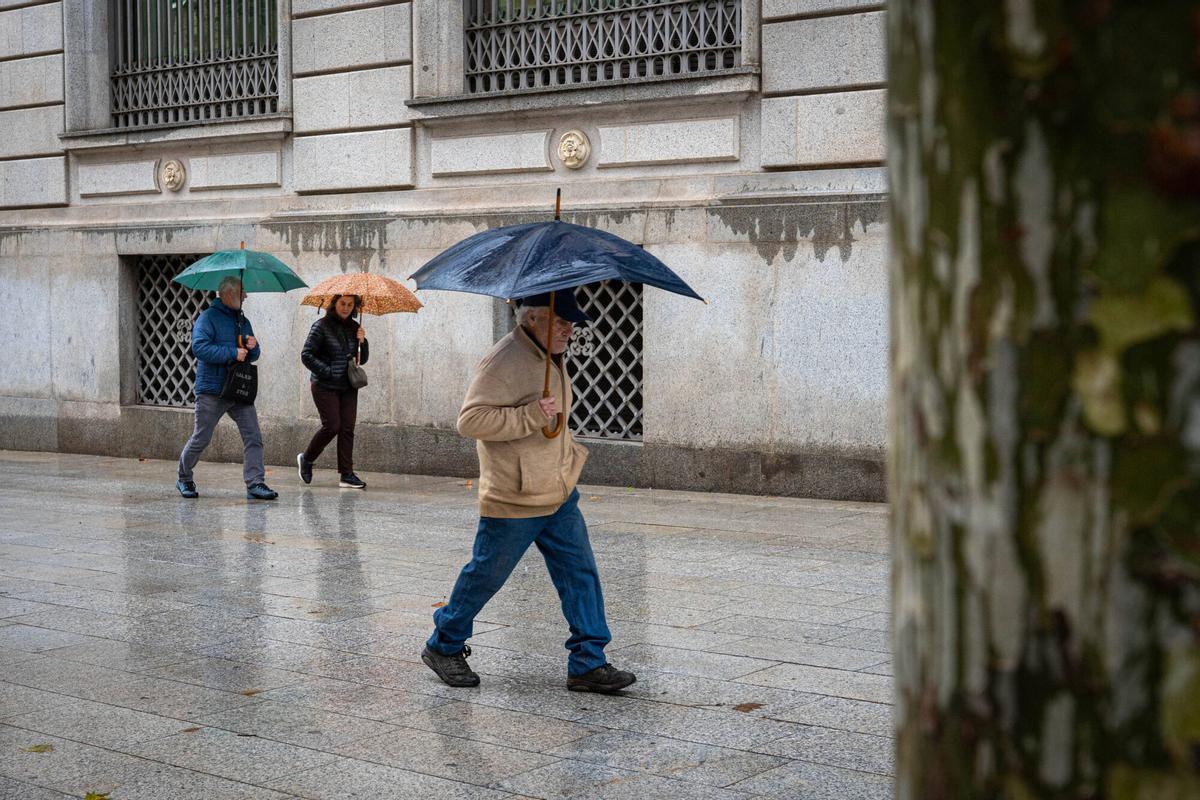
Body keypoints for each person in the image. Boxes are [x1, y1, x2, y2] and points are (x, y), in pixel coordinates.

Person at [422, 290, 636, 694]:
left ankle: (589, 662)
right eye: (562, 322)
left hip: (556, 489)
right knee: (486, 575)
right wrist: (530, 416)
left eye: (572, 323)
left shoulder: (548, 355)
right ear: (533, 318)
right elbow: (470, 421)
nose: (570, 330)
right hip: (514, 496)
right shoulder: (505, 359)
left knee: (580, 574)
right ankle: (443, 644)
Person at [176, 276, 278, 501]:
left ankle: (255, 483)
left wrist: (252, 347)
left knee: (254, 436)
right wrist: (232, 352)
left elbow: (254, 353)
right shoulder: (208, 318)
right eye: (242, 293)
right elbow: (199, 347)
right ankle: (184, 478)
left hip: (238, 388)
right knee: (201, 437)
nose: (246, 296)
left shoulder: (243, 320)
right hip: (212, 390)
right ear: (229, 294)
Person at [297, 294, 369, 489]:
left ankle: (346, 474)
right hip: (324, 385)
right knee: (332, 425)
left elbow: (362, 359)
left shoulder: (355, 327)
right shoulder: (321, 326)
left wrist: (363, 342)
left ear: (354, 306)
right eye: (342, 304)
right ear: (334, 304)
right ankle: (307, 459)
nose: (346, 308)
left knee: (347, 428)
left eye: (350, 304)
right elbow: (306, 355)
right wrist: (327, 371)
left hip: (348, 386)